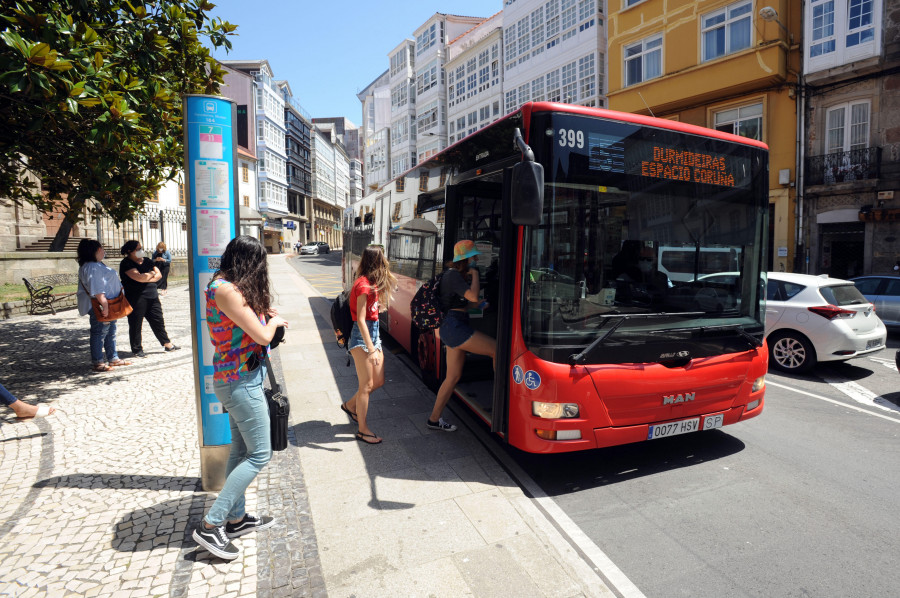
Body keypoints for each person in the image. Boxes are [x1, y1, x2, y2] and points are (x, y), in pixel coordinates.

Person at [193, 235, 288, 561]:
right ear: (248, 263)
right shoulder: (225, 290)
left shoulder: (227, 287)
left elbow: (247, 328)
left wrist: (265, 313)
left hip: (241, 378)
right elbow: (262, 335)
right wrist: (273, 321)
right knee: (260, 455)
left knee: (242, 450)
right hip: (239, 383)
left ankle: (235, 518)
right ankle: (212, 523)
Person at [430, 240, 497, 432]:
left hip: (453, 325)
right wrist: (475, 275)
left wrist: (480, 306)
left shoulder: (455, 277)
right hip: (454, 326)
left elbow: (466, 304)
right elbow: (473, 296)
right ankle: (503, 398)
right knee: (496, 349)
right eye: (474, 257)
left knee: (452, 377)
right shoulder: (453, 276)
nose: (477, 259)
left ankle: (434, 419)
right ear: (466, 259)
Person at [341, 245, 396, 445]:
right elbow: (361, 320)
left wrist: (378, 307)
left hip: (374, 334)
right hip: (361, 338)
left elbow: (368, 314)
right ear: (378, 261)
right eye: (383, 259)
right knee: (366, 386)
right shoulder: (363, 284)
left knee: (378, 381)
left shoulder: (371, 283)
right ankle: (363, 430)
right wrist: (371, 348)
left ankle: (349, 405)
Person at [76, 239, 131, 372]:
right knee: (99, 333)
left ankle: (113, 357)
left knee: (110, 332)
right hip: (102, 305)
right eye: (101, 248)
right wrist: (104, 305)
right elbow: (97, 287)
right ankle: (98, 361)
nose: (103, 251)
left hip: (109, 304)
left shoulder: (95, 265)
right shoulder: (92, 267)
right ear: (94, 251)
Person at [119, 240, 179, 358]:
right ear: (130, 251)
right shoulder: (126, 263)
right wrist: (151, 274)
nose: (141, 251)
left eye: (141, 248)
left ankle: (167, 344)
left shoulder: (146, 260)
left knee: (158, 320)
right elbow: (139, 278)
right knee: (136, 324)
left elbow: (159, 275)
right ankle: (137, 349)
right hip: (136, 298)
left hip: (152, 295)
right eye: (138, 249)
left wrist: (148, 276)